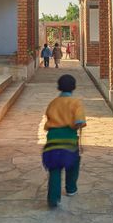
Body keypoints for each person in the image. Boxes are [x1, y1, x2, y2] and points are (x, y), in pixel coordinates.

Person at [42, 74, 87, 208]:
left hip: (53, 139)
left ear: (59, 87)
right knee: (73, 164)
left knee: (54, 169)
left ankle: (53, 198)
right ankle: (71, 188)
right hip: (69, 139)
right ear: (73, 87)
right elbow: (80, 121)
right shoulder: (75, 103)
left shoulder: (53, 103)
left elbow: (48, 117)